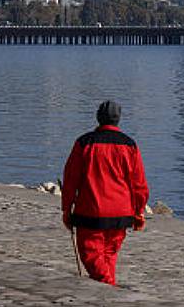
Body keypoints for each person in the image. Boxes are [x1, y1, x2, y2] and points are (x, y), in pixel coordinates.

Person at [62, 100, 149, 286]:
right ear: (118, 119)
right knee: (109, 255)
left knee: (91, 255)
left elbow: (70, 180)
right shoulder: (130, 145)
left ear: (98, 117)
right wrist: (139, 211)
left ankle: (110, 287)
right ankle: (108, 292)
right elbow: (139, 184)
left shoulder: (84, 143)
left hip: (90, 211)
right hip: (121, 212)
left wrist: (66, 209)